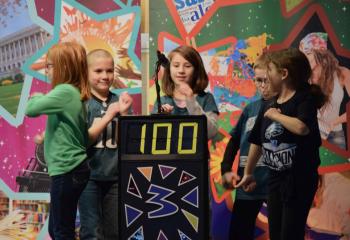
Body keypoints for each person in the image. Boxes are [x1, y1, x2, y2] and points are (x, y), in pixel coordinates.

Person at [25, 42, 120, 239]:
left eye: (50, 65)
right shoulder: (74, 93)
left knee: (61, 231)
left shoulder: (65, 92)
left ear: (63, 68)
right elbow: (78, 134)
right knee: (57, 228)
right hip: (73, 170)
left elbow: (31, 109)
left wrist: (35, 95)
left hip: (67, 170)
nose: (47, 70)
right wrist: (47, 136)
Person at [236, 48, 326, 240]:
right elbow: (257, 141)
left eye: (269, 71)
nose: (265, 77)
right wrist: (248, 172)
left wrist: (278, 116)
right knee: (276, 232)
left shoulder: (303, 100)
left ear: (284, 74)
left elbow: (302, 128)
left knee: (290, 234)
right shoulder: (269, 103)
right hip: (276, 179)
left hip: (299, 181)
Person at [79, 49, 133, 239]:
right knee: (91, 231)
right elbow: (82, 141)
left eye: (109, 71)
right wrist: (109, 115)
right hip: (87, 179)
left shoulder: (120, 101)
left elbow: (125, 143)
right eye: (99, 71)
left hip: (115, 178)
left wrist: (124, 114)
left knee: (115, 232)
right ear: (86, 72)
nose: (105, 76)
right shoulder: (81, 102)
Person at [221, 53, 274, 240]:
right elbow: (234, 141)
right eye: (258, 80)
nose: (262, 85)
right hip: (247, 185)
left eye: (266, 80)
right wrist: (226, 169)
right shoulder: (250, 109)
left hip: (275, 186)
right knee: (239, 234)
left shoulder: (286, 108)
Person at [152, 45, 219, 139]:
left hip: (198, 154)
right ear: (169, 69)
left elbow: (211, 133)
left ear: (196, 70)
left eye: (187, 66)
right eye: (176, 65)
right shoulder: (162, 101)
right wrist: (163, 118)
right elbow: (153, 136)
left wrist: (191, 100)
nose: (181, 71)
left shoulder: (206, 98)